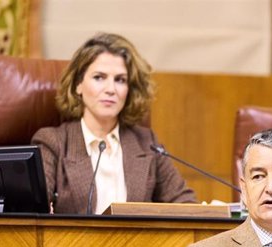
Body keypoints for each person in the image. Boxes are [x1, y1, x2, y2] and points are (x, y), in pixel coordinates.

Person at [32, 32, 195, 214]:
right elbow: (32, 212)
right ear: (78, 84)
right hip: (74, 242)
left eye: (120, 80)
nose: (110, 89)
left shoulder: (146, 142)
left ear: (129, 89)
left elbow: (185, 204)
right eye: (99, 77)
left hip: (137, 242)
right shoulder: (53, 142)